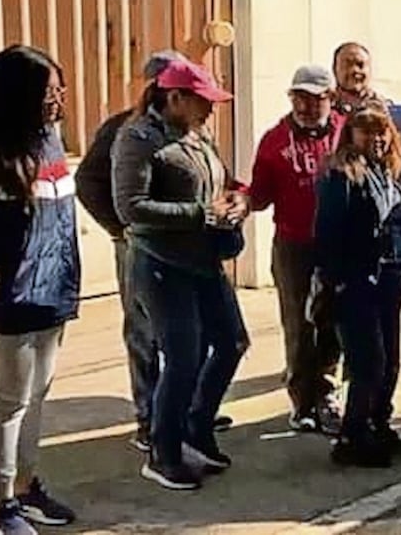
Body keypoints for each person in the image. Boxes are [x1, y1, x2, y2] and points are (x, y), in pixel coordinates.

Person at [112, 59, 249, 490]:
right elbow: (130, 207)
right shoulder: (138, 139)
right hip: (161, 265)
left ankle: (196, 425)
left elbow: (222, 180)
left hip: (204, 259)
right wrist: (200, 214)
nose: (211, 110)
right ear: (175, 98)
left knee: (232, 341)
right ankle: (163, 450)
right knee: (184, 357)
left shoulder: (199, 133)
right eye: (203, 101)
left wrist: (237, 199)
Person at [0, 45, 79, 534]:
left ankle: (25, 485)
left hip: (51, 291)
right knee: (3, 403)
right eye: (48, 92)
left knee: (36, 396)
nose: (58, 100)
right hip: (3, 302)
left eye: (58, 89)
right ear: (17, 96)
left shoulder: (50, 138)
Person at [74, 50, 183, 452]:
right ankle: (148, 417)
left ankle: (179, 408)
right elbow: (87, 181)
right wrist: (119, 228)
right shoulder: (124, 129)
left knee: (186, 329)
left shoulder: (188, 127)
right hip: (137, 246)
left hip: (183, 248)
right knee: (143, 330)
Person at [315, 101, 401, 467]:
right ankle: (352, 436)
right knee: (368, 363)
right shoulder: (341, 175)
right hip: (358, 283)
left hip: (391, 280)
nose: (376, 137)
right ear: (351, 135)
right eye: (367, 130)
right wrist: (335, 282)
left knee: (390, 361)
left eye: (382, 130)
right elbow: (327, 235)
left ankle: (378, 423)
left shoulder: (389, 176)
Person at [248, 65, 345, 434]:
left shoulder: (345, 131)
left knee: (333, 320)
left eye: (314, 98)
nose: (305, 106)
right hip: (294, 245)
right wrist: (237, 197)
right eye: (298, 98)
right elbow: (259, 196)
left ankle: (328, 392)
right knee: (299, 323)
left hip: (338, 244)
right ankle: (302, 401)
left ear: (330, 98)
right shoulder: (275, 139)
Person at [331, 42, 382, 115]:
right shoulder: (324, 109)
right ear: (334, 69)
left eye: (360, 65)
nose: (354, 70)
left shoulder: (385, 109)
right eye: (348, 65)